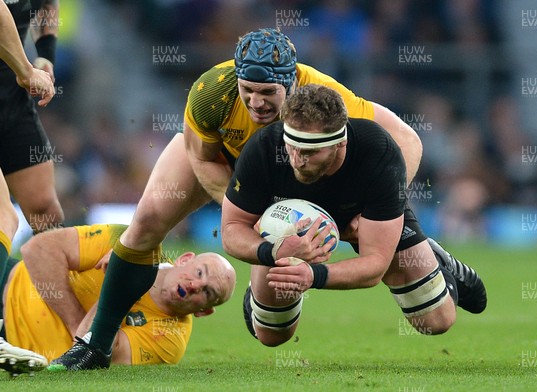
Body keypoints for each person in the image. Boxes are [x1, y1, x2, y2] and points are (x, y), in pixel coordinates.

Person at [53, 28, 480, 370]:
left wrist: (377, 212)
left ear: (292, 84)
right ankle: (95, 345)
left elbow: (404, 140)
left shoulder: (330, 102)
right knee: (144, 225)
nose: (256, 102)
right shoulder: (210, 94)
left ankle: (425, 250)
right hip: (229, 162)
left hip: (315, 179)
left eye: (267, 94)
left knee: (432, 321)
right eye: (247, 90)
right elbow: (200, 157)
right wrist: (249, 215)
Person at [220, 84, 486, 346]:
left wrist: (314, 275)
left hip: (364, 217)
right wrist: (273, 251)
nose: (298, 159)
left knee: (435, 321)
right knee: (271, 336)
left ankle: (439, 258)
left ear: (340, 142)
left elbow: (374, 265)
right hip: (288, 234)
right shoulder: (265, 147)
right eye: (293, 146)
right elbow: (231, 228)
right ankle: (257, 293)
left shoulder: (378, 153)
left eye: (311, 151)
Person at [0, 223, 236, 373]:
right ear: (184, 259)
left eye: (208, 292)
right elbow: (36, 250)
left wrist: (121, 276)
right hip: (6, 280)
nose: (195, 285)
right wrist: (76, 326)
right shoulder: (127, 241)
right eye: (199, 272)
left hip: (12, 349)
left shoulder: (170, 340)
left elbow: (92, 348)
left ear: (203, 311)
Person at [0, 0, 64, 234]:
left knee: (44, 210)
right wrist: (27, 72)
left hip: (11, 98)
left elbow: (46, 2)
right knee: (3, 216)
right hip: (18, 77)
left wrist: (46, 55)